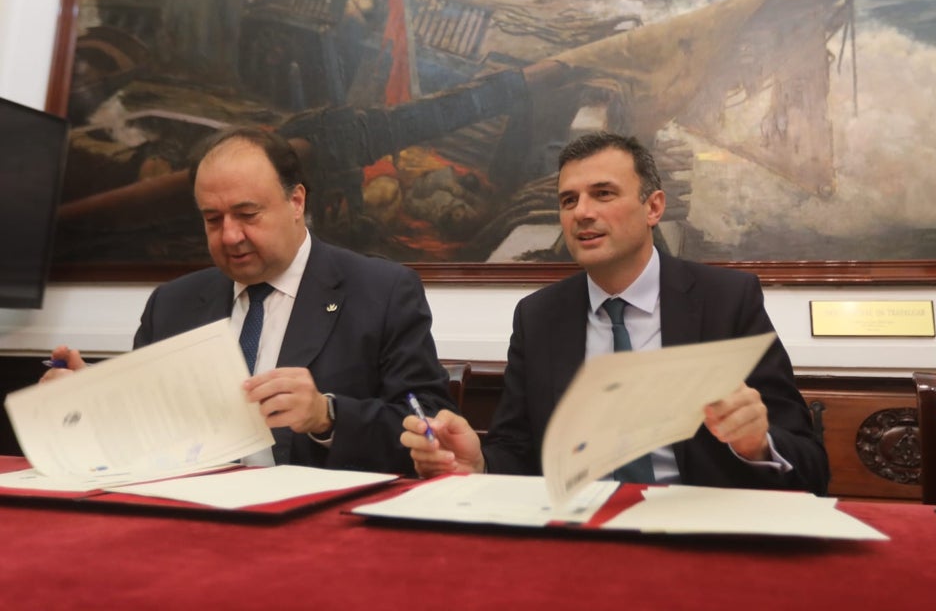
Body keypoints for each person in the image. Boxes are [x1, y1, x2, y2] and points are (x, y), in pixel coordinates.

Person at [401, 132, 829, 492]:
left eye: (603, 194)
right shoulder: (538, 317)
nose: (582, 212)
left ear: (653, 208)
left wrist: (755, 444)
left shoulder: (726, 301)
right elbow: (519, 451)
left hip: (695, 534)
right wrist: (480, 464)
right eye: (568, 200)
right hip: (578, 537)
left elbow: (811, 466)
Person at [43, 126, 454, 474]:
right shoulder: (172, 304)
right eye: (213, 219)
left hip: (320, 535)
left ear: (296, 202)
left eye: (247, 214)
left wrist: (327, 415)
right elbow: (144, 433)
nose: (229, 236)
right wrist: (93, 400)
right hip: (190, 523)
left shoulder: (381, 291)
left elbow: (429, 422)